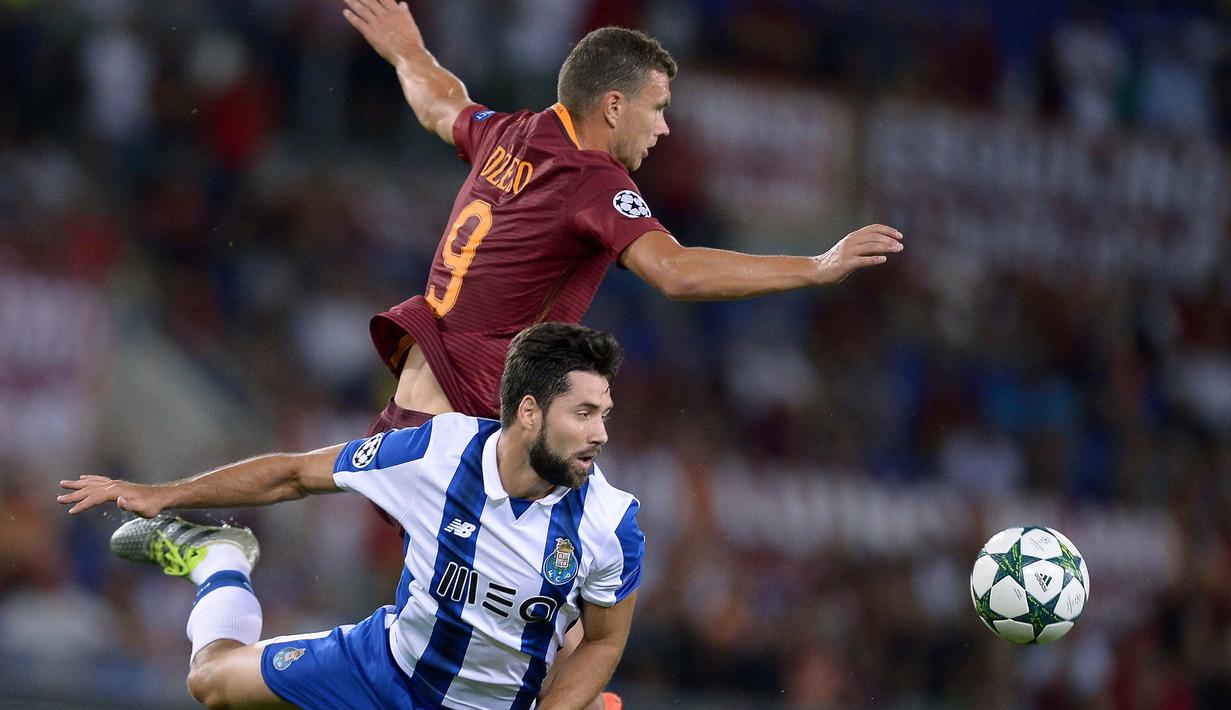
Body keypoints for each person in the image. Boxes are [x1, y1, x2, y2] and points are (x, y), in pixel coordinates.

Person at [341, 0, 906, 436]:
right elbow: (677, 272)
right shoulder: (593, 181)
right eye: (658, 109)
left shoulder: (506, 132)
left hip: (421, 398)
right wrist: (817, 265)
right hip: (473, 419)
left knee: (314, 484)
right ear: (614, 106)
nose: (663, 128)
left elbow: (440, 100)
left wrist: (406, 51)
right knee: (596, 554)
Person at [58, 322, 641, 710]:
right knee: (210, 683)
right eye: (584, 414)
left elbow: (603, 643)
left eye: (605, 414)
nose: (601, 435)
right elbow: (296, 473)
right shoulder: (434, 453)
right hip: (383, 670)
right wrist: (164, 495)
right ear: (531, 412)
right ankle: (220, 561)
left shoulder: (611, 524)